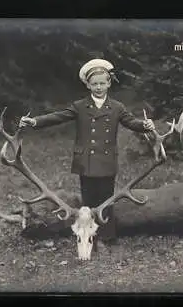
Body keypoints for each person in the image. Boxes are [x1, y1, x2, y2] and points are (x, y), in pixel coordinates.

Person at [19, 58, 155, 250]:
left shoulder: (117, 107)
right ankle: (88, 234)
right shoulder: (80, 106)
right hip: (86, 161)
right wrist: (35, 122)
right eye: (94, 84)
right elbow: (59, 116)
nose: (99, 87)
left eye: (102, 83)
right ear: (88, 85)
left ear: (109, 83)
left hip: (107, 160)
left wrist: (144, 125)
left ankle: (107, 237)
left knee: (107, 199)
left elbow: (131, 122)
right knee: (89, 199)